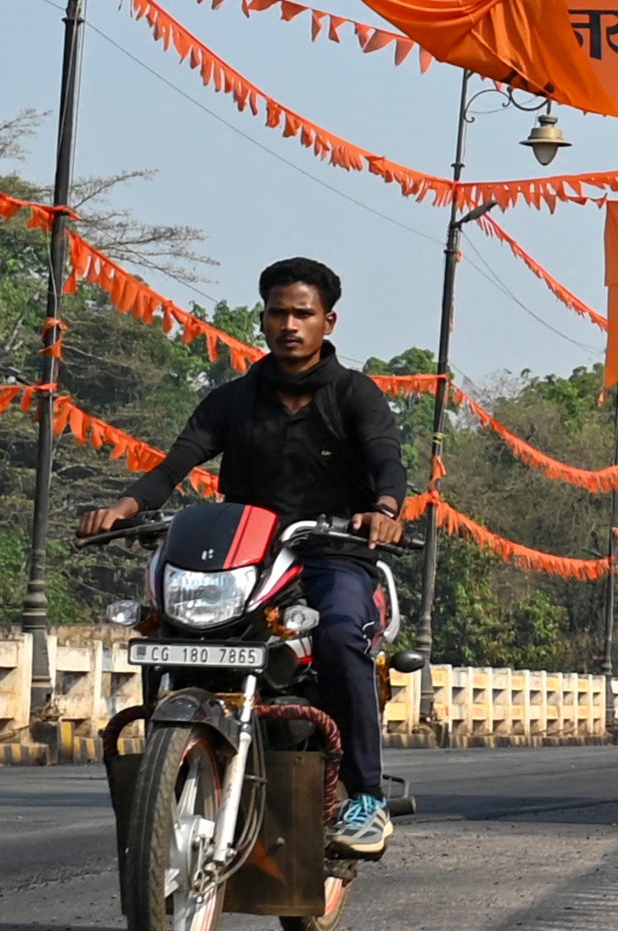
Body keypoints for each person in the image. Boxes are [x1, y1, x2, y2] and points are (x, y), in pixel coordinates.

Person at [80, 258, 408, 857]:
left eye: (302, 314)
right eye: (278, 312)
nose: (289, 324)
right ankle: (170, 759)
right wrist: (127, 505)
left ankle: (366, 796)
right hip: (244, 559)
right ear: (263, 320)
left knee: (339, 635)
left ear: (327, 321)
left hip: (331, 552)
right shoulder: (232, 400)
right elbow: (177, 461)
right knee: (167, 623)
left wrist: (385, 507)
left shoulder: (355, 394)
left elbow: (387, 460)